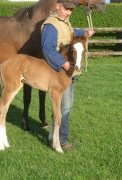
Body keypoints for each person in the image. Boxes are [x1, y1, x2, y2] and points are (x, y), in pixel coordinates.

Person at [41, 0, 94, 149]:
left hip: (69, 71)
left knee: (66, 106)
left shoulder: (65, 22)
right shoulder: (51, 24)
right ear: (57, 5)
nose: (68, 12)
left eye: (71, 10)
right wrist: (63, 63)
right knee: (64, 107)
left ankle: (53, 135)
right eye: (66, 8)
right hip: (60, 72)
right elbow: (47, 49)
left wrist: (84, 32)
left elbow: (72, 32)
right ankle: (61, 140)